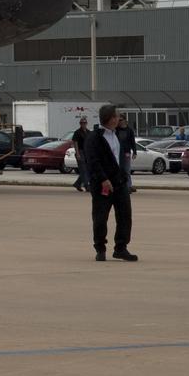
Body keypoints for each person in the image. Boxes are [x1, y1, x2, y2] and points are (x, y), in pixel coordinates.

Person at [84, 104, 137, 262]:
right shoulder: (94, 137)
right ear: (109, 118)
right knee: (100, 217)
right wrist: (103, 179)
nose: (118, 118)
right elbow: (93, 161)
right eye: (116, 116)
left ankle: (121, 248)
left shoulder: (117, 135)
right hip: (102, 184)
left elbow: (118, 159)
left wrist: (123, 178)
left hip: (119, 182)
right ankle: (100, 248)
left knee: (125, 215)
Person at [116, 114, 137, 193]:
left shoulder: (129, 130)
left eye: (121, 120)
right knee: (119, 169)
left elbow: (132, 142)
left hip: (126, 152)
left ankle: (128, 185)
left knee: (127, 170)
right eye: (119, 120)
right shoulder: (116, 130)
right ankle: (121, 185)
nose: (119, 122)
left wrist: (134, 152)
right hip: (118, 153)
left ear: (125, 120)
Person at [71, 118, 91, 192]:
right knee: (83, 170)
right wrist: (78, 153)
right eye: (82, 123)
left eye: (85, 123)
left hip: (87, 152)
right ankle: (87, 185)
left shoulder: (89, 132)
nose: (83, 124)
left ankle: (77, 183)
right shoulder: (77, 132)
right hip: (80, 151)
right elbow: (75, 143)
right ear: (80, 124)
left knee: (88, 170)